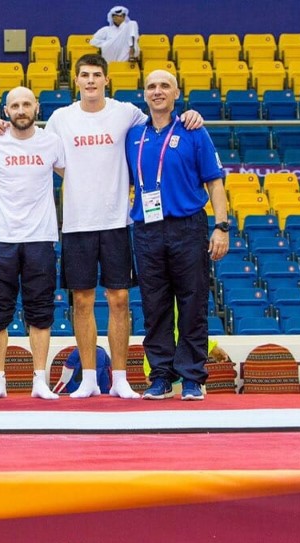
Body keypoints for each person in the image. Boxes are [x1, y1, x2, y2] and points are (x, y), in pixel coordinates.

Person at [0, 53, 203, 400]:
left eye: (96, 75)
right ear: (76, 81)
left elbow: (162, 121)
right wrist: (0, 128)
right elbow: (36, 147)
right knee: (82, 301)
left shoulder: (126, 113)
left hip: (116, 221)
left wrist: (189, 115)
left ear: (106, 80)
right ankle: (89, 377)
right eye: (85, 75)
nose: (90, 80)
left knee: (119, 299)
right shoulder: (60, 119)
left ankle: (119, 377)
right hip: (77, 223)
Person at [127, 69, 229, 401]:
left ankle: (192, 377)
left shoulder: (194, 130)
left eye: (164, 86)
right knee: (154, 306)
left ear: (176, 93)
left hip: (187, 226)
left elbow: (215, 182)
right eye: (151, 86)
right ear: (144, 94)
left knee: (192, 303)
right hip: (147, 229)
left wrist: (221, 227)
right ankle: (160, 376)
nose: (157, 91)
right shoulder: (133, 134)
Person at [0, 87, 64, 401]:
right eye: (14, 105)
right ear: (5, 111)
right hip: (1, 239)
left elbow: (75, 175)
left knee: (40, 312)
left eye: (26, 104)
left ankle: (40, 380)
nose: (21, 110)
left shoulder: (52, 142)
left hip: (40, 238)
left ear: (37, 107)